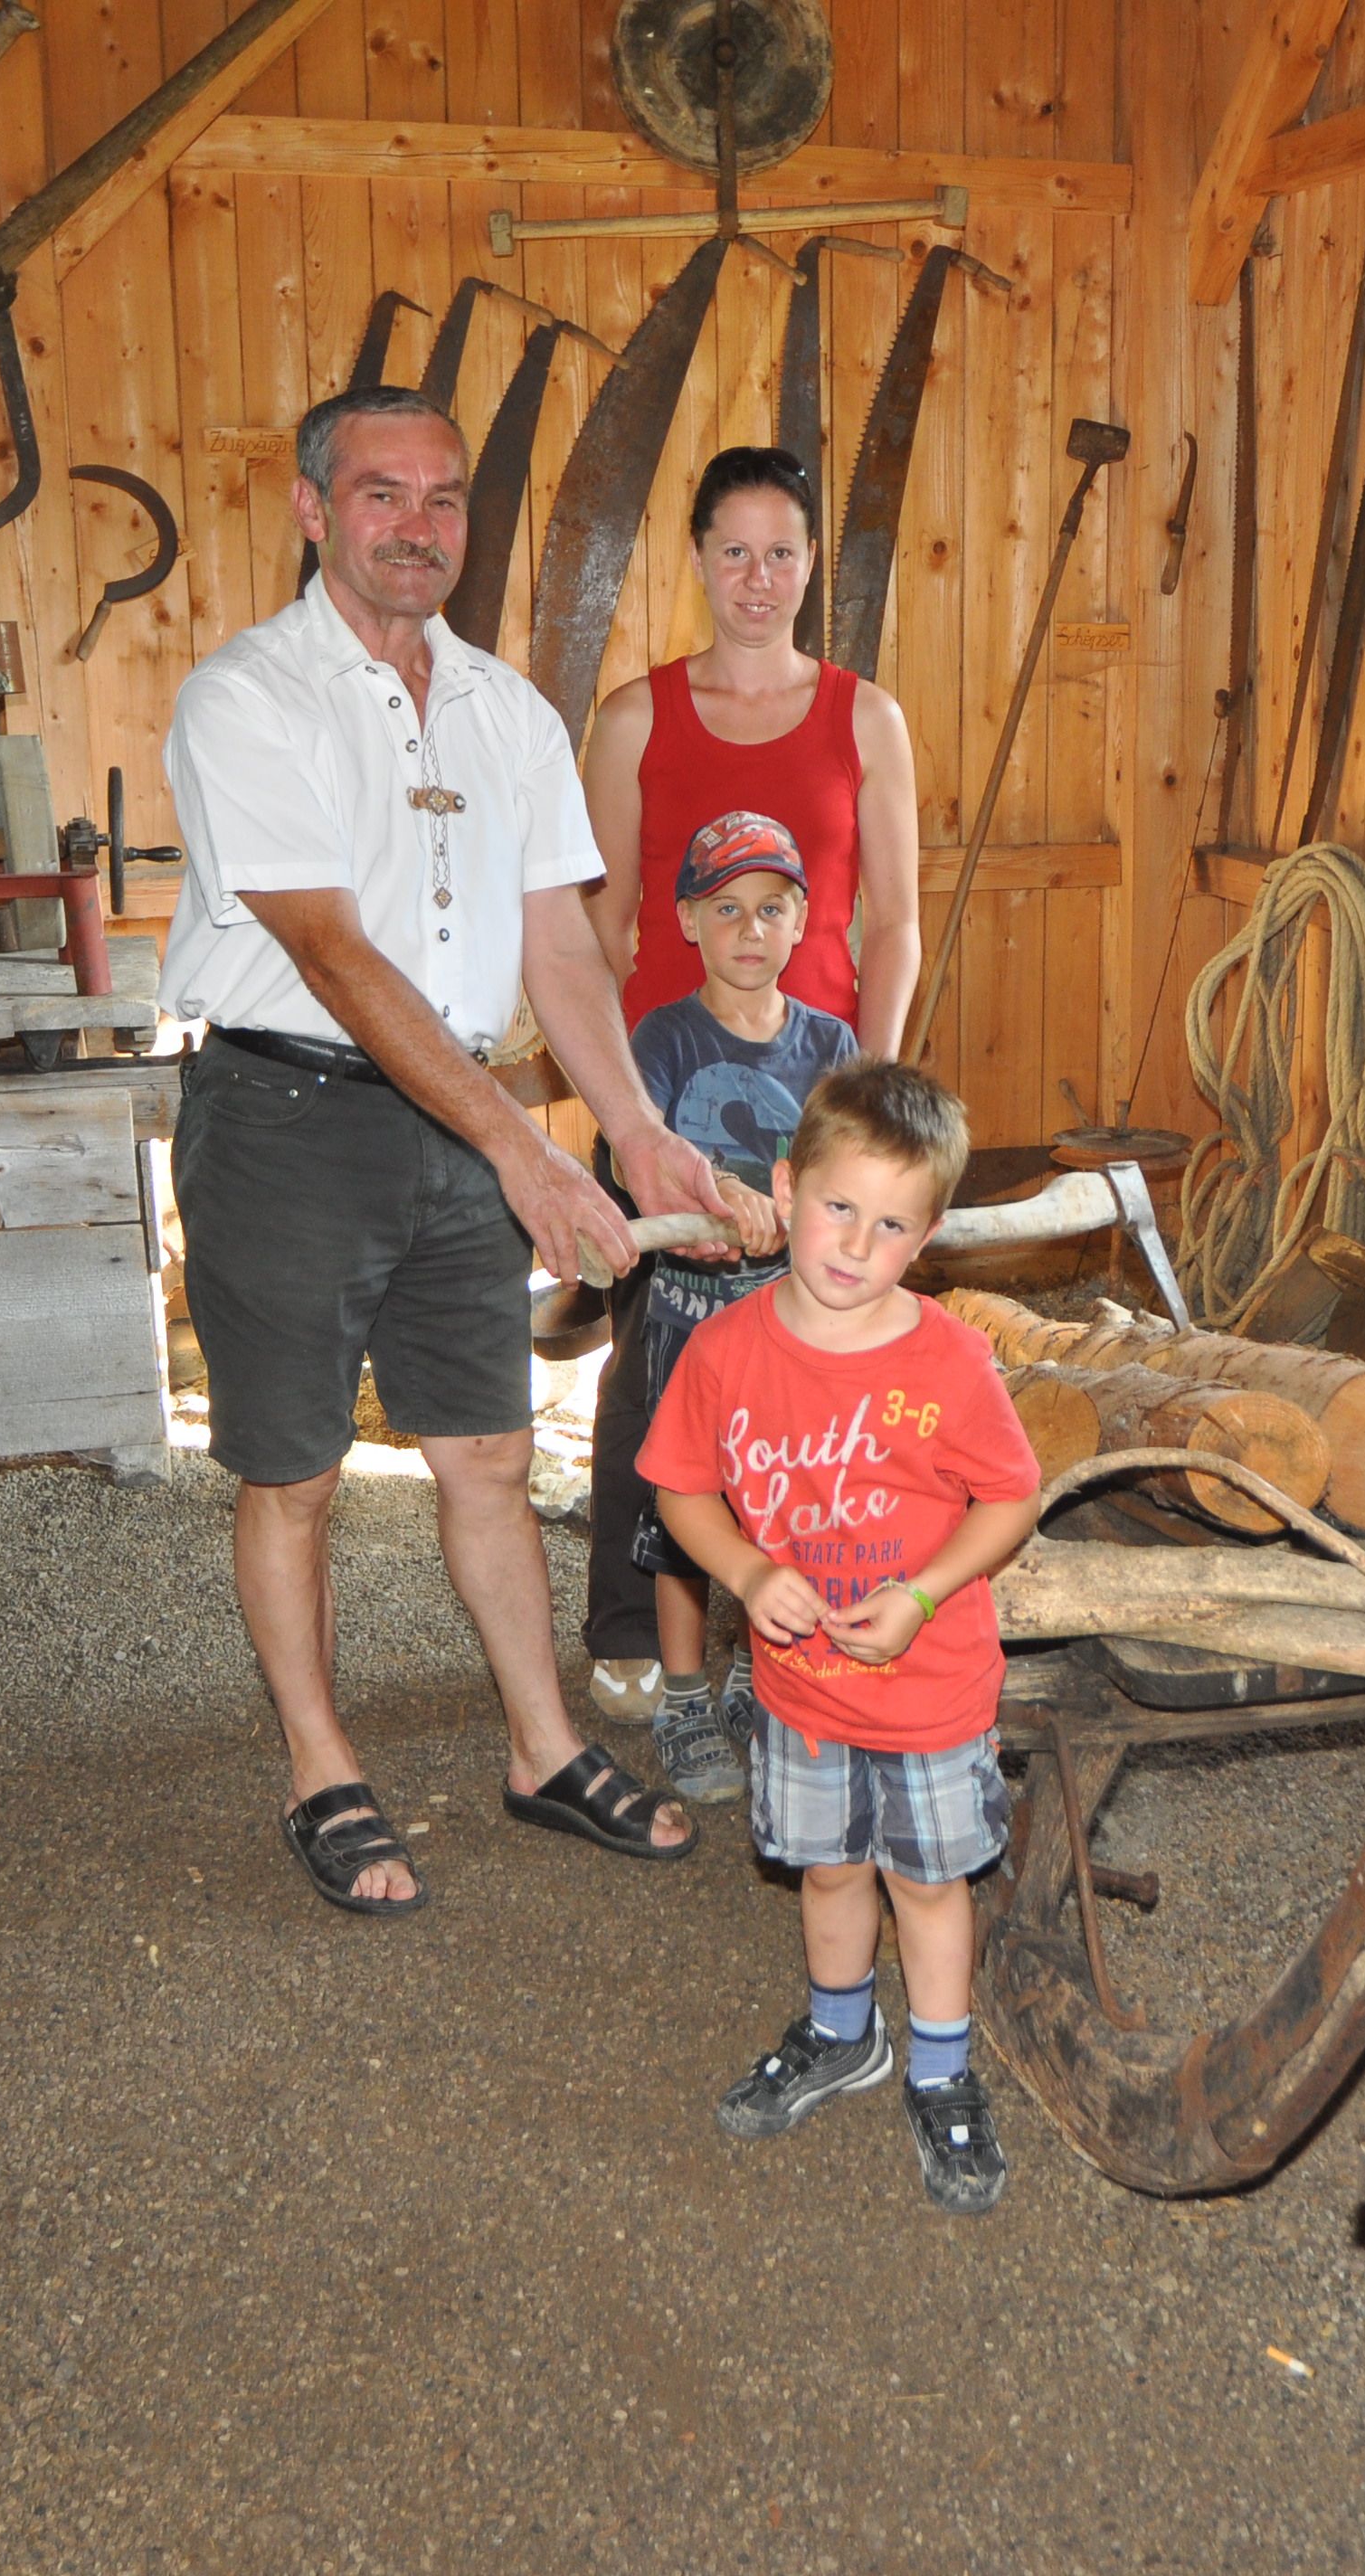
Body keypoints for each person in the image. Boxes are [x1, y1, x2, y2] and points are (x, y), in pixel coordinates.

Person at [159, 382, 735, 1918]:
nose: (418, 527)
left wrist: (631, 1131)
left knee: (482, 1448)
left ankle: (541, 1747)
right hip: (286, 1117)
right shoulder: (247, 697)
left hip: (456, 1119)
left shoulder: (508, 711)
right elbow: (334, 956)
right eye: (380, 494)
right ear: (310, 508)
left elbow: (554, 941)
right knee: (294, 1470)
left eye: (443, 498)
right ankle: (320, 1763)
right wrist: (521, 1154)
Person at [639, 1062, 1042, 2214]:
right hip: (802, 1691)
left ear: (928, 1238)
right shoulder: (728, 1352)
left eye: (892, 1223)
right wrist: (748, 1568)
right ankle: (840, 2032)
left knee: (927, 1881)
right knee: (826, 1867)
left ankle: (940, 2065)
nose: (857, 1243)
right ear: (785, 1186)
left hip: (929, 1693)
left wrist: (920, 1593)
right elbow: (680, 1489)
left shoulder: (950, 1362)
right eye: (837, 1207)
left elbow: (1009, 1496)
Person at [574, 448, 925, 1738]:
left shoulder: (863, 718)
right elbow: (601, 925)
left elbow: (894, 925)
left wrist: (868, 1098)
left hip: (813, 1092)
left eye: (784, 553)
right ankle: (633, 1624)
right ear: (699, 558)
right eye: (736, 552)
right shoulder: (635, 719)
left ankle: (812, 1624)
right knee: (659, 1362)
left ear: (811, 564)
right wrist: (629, 1116)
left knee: (819, 1363)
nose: (760, 579)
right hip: (668, 1090)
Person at [620, 814, 864, 1804]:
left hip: (790, 1328)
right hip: (686, 1319)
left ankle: (755, 1678)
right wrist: (723, 1202)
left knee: (783, 1505)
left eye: (771, 909)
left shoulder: (830, 1043)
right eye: (726, 909)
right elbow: (642, 1164)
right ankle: (682, 1695)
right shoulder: (665, 1038)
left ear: (801, 919)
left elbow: (848, 1164)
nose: (750, 930)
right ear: (688, 920)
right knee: (685, 1514)